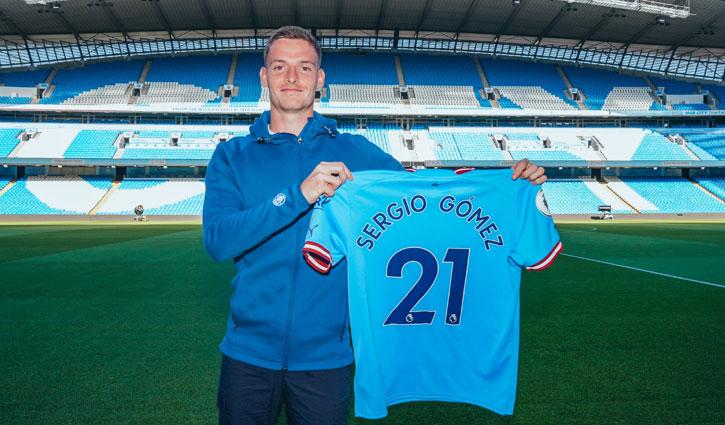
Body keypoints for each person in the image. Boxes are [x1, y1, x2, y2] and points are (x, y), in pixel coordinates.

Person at [202, 25, 547, 425]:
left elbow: (426, 195)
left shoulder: (356, 152)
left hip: (326, 358)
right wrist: (298, 195)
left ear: (320, 78)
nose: (292, 77)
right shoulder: (231, 155)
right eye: (280, 66)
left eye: (304, 67)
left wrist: (507, 183)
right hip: (247, 354)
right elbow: (219, 241)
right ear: (264, 76)